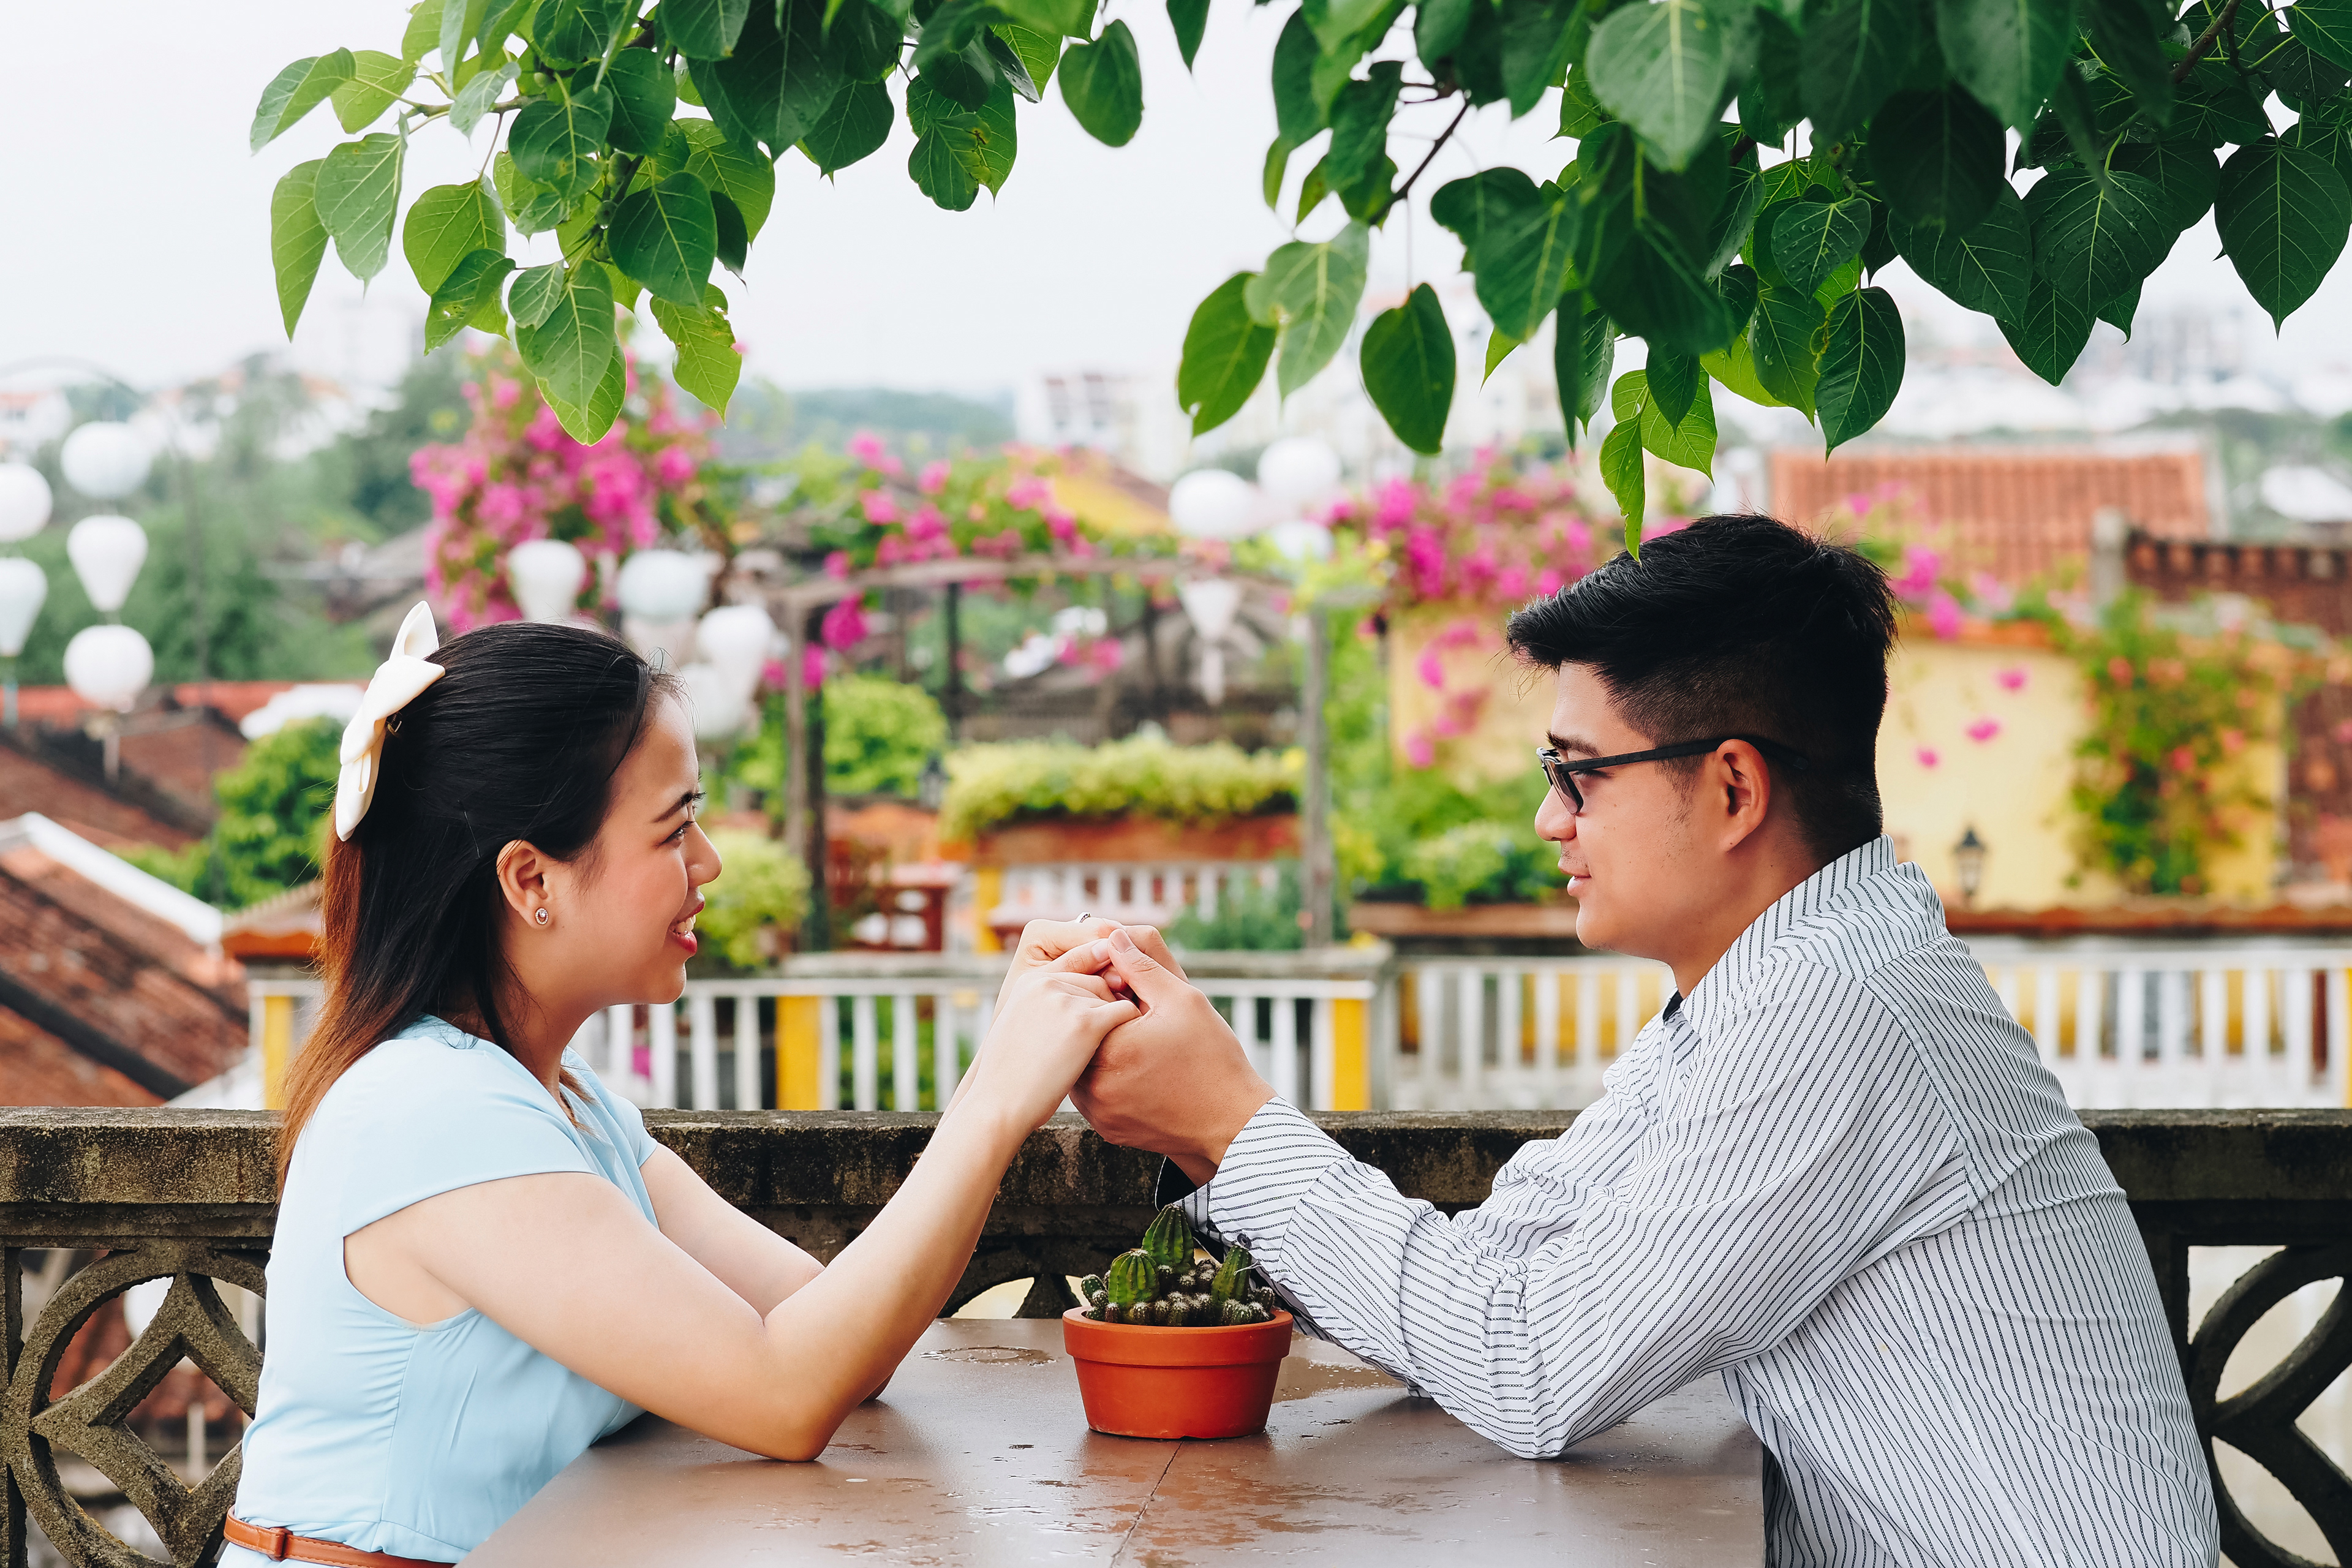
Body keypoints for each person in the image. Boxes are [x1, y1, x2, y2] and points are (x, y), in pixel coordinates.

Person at [1068, 516, 2220, 1566]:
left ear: (1732, 790)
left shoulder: (1842, 1006)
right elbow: (1509, 1261)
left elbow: (1530, 1367)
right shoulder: (1767, 987)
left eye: (1579, 774)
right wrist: (1211, 1136)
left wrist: (1231, 1119)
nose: (1549, 819)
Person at [223, 605, 1137, 1568]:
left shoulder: (565, 1109)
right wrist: (994, 1104)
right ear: (532, 881)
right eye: (675, 830)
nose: (709, 864)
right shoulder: (432, 1112)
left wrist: (1006, 1053)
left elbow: (829, 1335)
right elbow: (786, 1396)